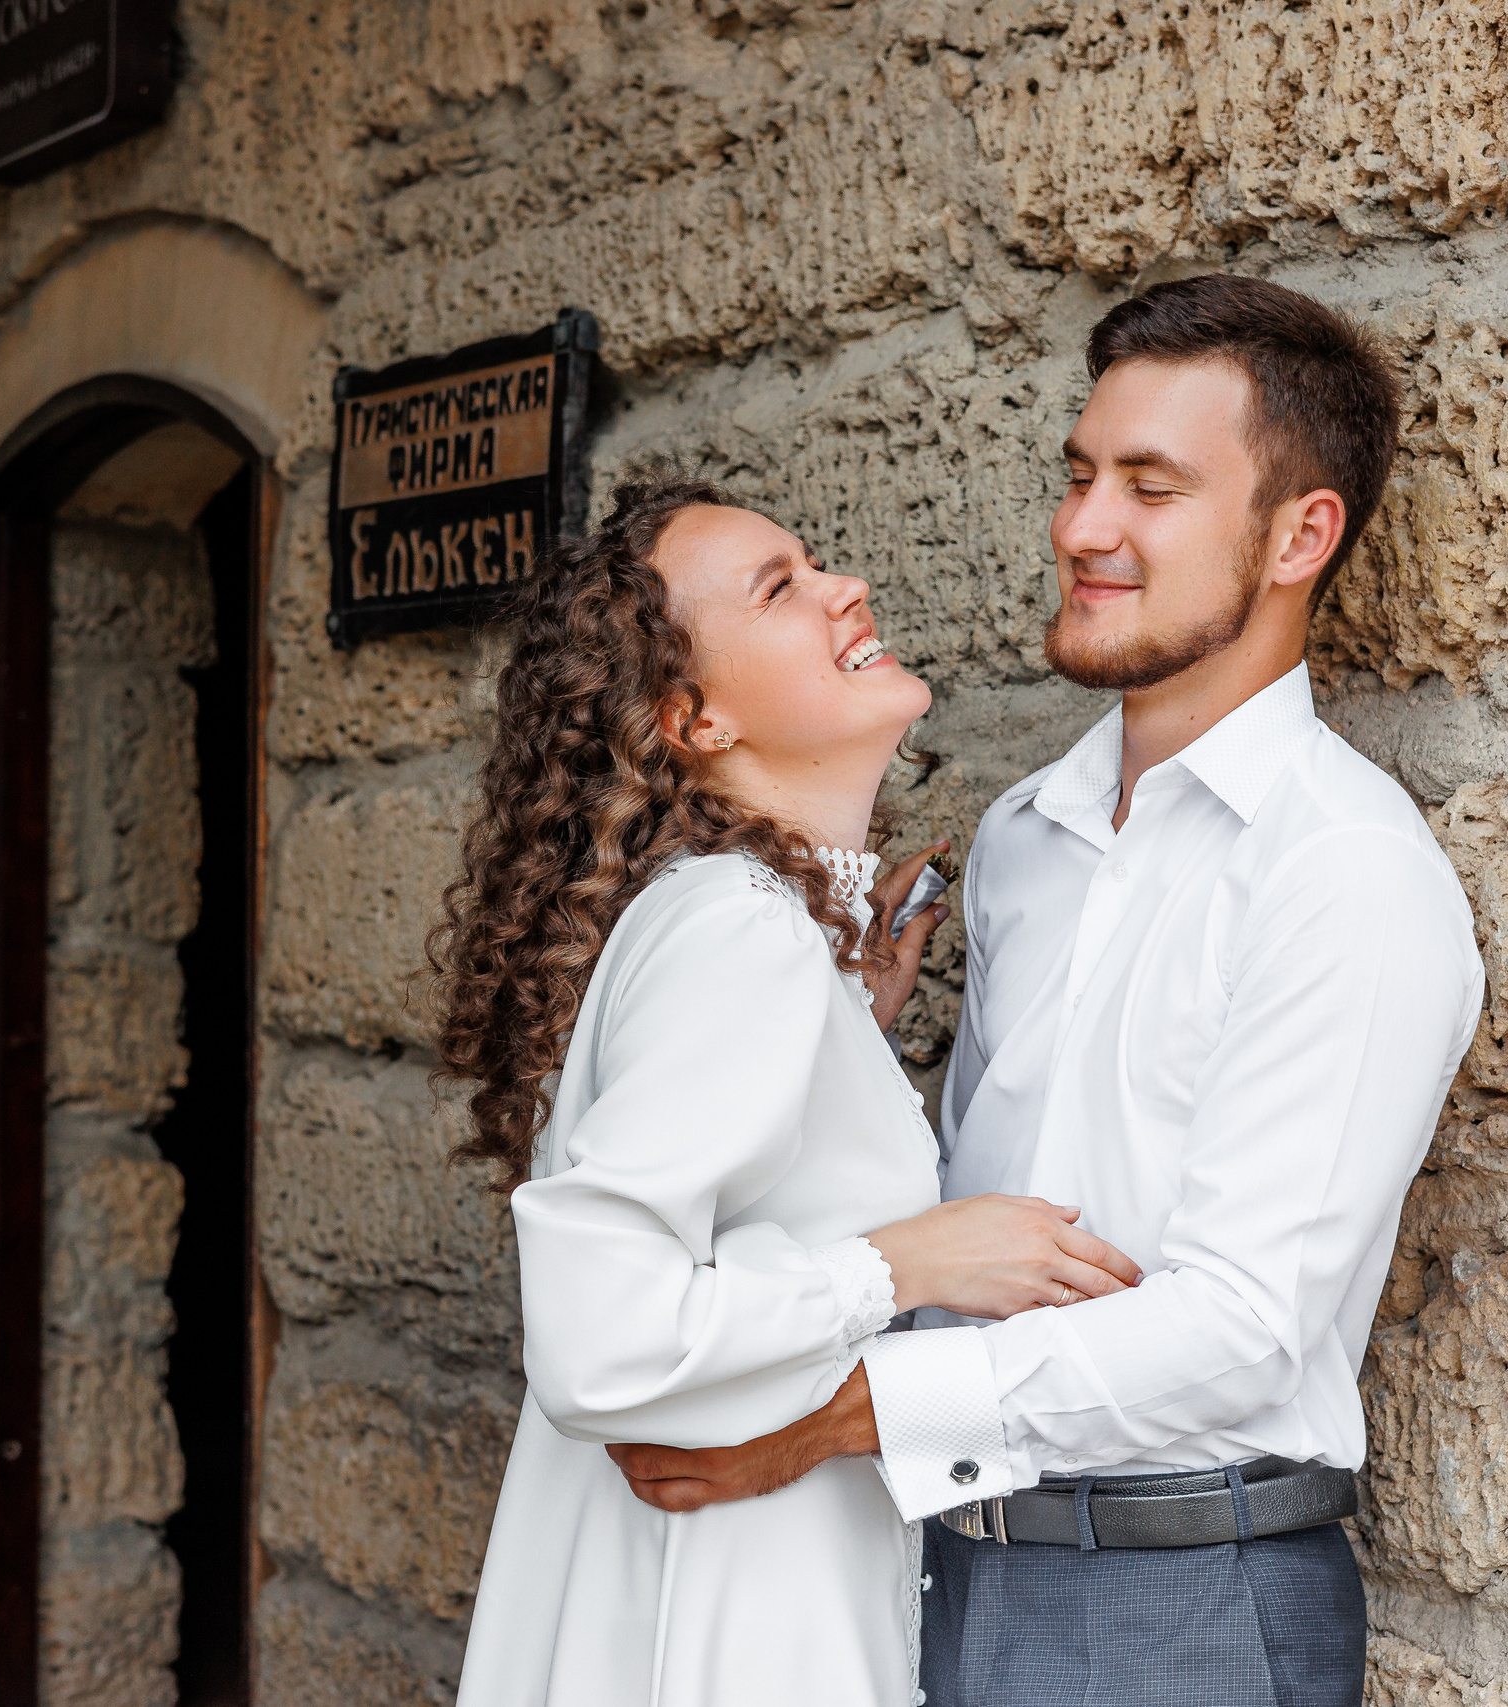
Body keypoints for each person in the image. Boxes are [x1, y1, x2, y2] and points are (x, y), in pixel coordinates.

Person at [607, 275, 1487, 1707]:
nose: (1083, 527)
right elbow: (964, 1217)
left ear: (1298, 534)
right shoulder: (1020, 837)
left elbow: (1245, 1321)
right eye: (1081, 474)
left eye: (1151, 487)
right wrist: (836, 1045)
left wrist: (842, 1415)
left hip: (1182, 1600)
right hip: (941, 1567)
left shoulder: (1347, 872)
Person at [437, 476, 1145, 1707]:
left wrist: (844, 1027)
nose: (842, 589)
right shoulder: (737, 926)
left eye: (812, 561)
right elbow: (600, 1339)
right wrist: (913, 1261)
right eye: (780, 589)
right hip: (729, 1612)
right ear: (692, 718)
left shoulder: (749, 927)